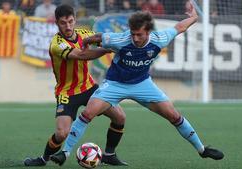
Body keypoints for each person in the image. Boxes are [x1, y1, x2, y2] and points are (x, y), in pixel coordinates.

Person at [50, 1, 224, 166]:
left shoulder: (160, 38)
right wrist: (87, 43)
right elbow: (97, 37)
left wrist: (194, 17)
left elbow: (180, 27)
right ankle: (64, 153)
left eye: (139, 34)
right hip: (114, 84)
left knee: (174, 116)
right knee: (88, 113)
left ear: (148, 32)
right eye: (132, 33)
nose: (134, 38)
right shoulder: (120, 39)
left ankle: (202, 149)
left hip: (142, 84)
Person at [23, 4, 127, 167]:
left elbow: (102, 39)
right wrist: (107, 50)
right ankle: (43, 159)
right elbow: (82, 55)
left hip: (89, 87)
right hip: (67, 93)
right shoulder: (57, 44)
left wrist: (113, 42)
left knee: (120, 117)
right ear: (57, 23)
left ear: (75, 20)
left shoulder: (84, 34)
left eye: (71, 21)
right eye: (63, 23)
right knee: (62, 133)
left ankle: (109, 154)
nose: (68, 26)